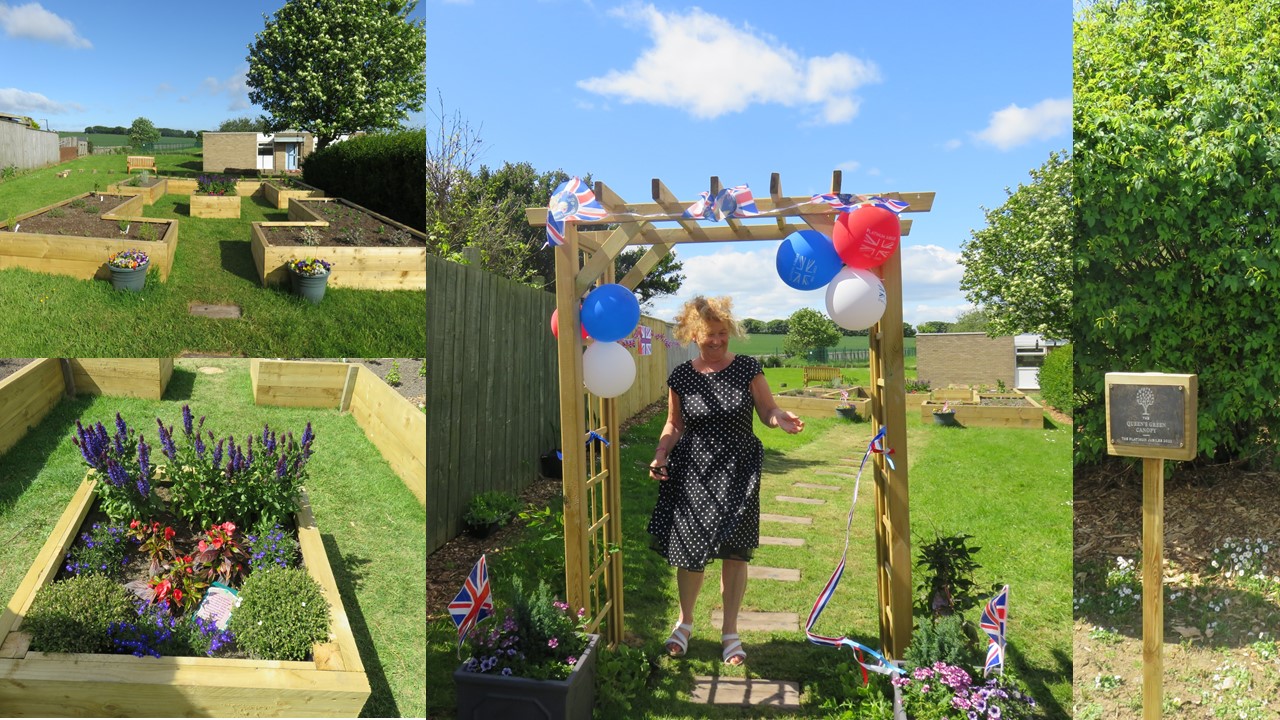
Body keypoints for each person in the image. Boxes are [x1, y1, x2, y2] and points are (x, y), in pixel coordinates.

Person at [646, 296, 803, 666]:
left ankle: (730, 632)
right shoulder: (682, 376)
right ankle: (684, 624)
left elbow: (766, 410)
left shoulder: (748, 368)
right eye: (708, 335)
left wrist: (779, 416)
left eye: (722, 334)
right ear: (692, 335)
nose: (716, 341)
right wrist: (661, 451)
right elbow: (675, 423)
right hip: (694, 470)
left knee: (735, 550)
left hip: (738, 469)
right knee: (690, 548)